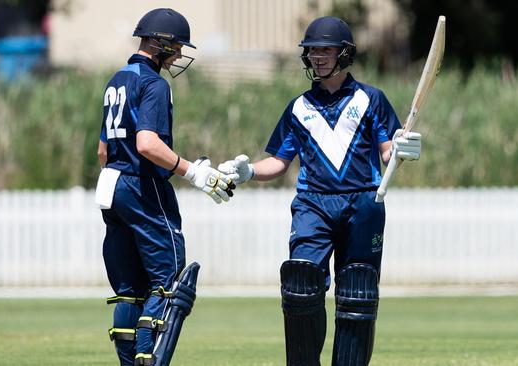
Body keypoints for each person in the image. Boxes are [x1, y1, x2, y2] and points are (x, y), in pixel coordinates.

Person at [218, 16, 422, 366]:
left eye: (325, 49)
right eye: (311, 50)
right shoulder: (299, 107)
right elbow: (279, 162)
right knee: (301, 282)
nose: (317, 56)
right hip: (313, 204)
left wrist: (403, 149)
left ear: (344, 53)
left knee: (357, 290)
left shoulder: (372, 99)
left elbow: (388, 152)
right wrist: (249, 170)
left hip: (364, 202)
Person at [95, 8, 235, 366]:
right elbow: (147, 143)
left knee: (129, 290)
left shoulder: (117, 79)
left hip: (110, 184)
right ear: (161, 44)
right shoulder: (153, 83)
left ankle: (130, 362)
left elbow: (103, 150)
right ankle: (150, 359)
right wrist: (193, 173)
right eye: (175, 48)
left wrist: (121, 180)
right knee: (168, 279)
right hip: (142, 186)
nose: (177, 55)